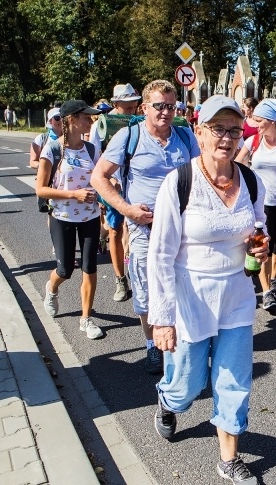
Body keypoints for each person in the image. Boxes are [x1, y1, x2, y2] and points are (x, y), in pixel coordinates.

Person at [148, 95, 267, 485]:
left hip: (235, 295)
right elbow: (161, 255)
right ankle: (167, 401)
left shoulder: (251, 181)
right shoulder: (179, 182)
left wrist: (259, 248)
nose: (227, 138)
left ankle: (229, 458)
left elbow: (257, 231)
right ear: (199, 132)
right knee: (186, 386)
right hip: (189, 297)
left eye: (235, 130)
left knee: (234, 380)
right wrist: (161, 319)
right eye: (218, 129)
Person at [91, 79, 199, 374]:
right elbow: (98, 177)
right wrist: (126, 209)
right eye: (159, 106)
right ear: (145, 108)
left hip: (181, 227)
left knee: (182, 284)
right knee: (145, 290)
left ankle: (179, 340)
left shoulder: (186, 136)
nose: (165, 112)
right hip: (144, 228)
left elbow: (201, 174)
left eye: (171, 106)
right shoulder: (129, 136)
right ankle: (152, 346)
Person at [35, 100, 104, 340]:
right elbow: (41, 190)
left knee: (89, 267)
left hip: (90, 217)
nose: (90, 121)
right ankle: (51, 288)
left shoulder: (92, 150)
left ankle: (86, 319)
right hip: (62, 216)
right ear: (72, 119)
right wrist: (73, 194)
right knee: (65, 269)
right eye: (86, 117)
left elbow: (100, 178)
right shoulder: (53, 149)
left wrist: (107, 191)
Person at [235, 98, 276, 310]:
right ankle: (266, 291)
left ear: (272, 121)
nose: (254, 125)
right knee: (262, 244)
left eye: (259, 120)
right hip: (260, 203)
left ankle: (273, 278)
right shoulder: (252, 141)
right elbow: (236, 165)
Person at [90, 83, 142, 302]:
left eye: (134, 106)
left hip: (134, 184)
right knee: (115, 230)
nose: (132, 110)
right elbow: (94, 160)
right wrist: (108, 180)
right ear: (116, 103)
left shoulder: (139, 122)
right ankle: (120, 280)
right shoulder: (101, 126)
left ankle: (135, 270)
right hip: (114, 186)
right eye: (127, 107)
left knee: (134, 229)